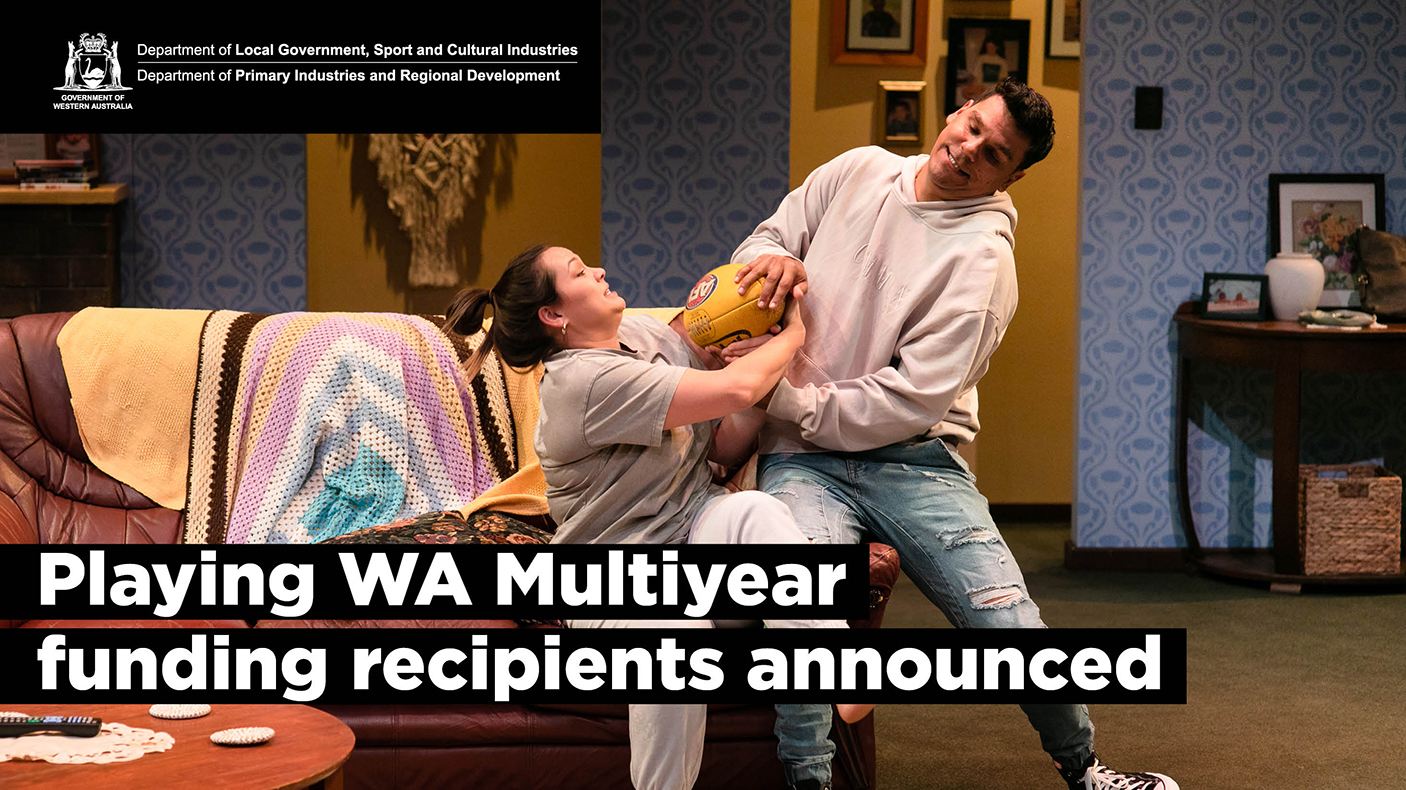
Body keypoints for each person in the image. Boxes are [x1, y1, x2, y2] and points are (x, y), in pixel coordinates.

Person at [725, 78, 1180, 790]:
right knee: (803, 612)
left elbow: (906, 402)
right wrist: (774, 256)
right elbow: (769, 237)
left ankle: (1086, 769)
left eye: (992, 153)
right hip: (804, 456)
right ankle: (808, 783)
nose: (967, 150)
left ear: (1013, 176)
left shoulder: (984, 264)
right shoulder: (857, 170)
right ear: (954, 112)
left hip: (911, 459)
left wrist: (784, 399)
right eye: (971, 127)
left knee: (1006, 623)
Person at [444, 245, 871, 790]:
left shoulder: (642, 347)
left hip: (693, 540)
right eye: (577, 272)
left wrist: (749, 366)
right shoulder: (582, 381)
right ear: (554, 315)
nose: (598, 270)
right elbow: (735, 389)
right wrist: (791, 339)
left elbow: (720, 444)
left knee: (753, 510)